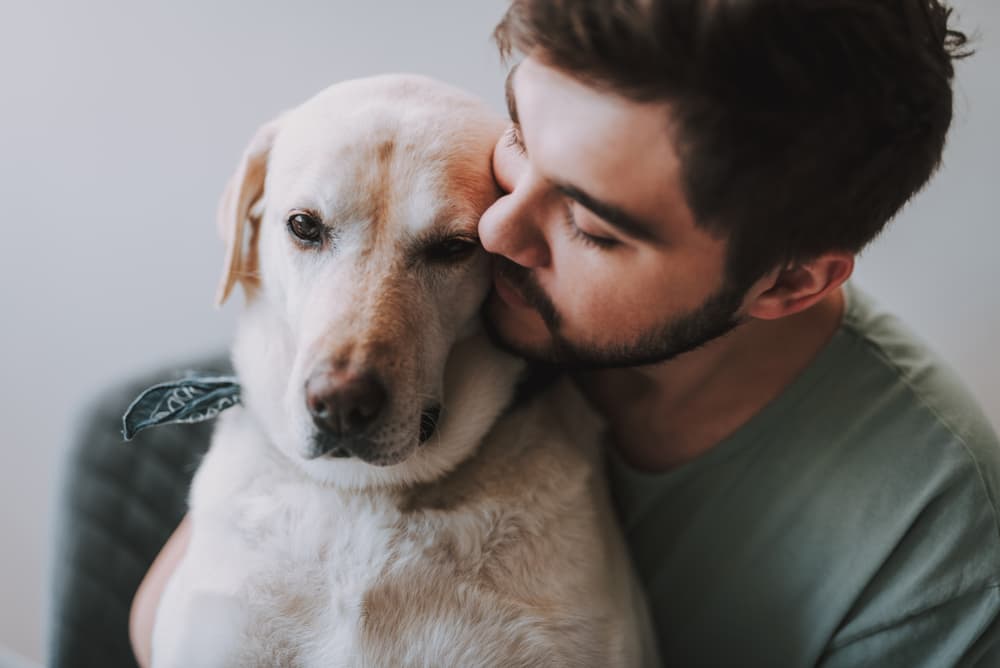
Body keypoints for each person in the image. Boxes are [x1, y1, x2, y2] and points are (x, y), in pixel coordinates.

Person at [130, 1, 1000, 665]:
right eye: (520, 136)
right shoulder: (465, 327)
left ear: (786, 281)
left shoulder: (931, 537)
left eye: (591, 223)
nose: (499, 228)